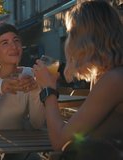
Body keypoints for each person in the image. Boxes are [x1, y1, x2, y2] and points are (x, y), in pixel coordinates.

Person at [32, 1, 123, 159]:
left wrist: (48, 90)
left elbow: (60, 142)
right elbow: (81, 132)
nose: (68, 41)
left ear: (83, 39)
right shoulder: (104, 75)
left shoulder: (114, 79)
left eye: (70, 33)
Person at [0, 22, 45, 160]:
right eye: (5, 43)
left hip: (20, 144)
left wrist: (36, 90)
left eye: (16, 40)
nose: (13, 46)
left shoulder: (29, 73)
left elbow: (37, 124)